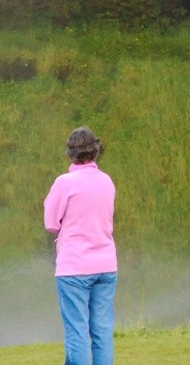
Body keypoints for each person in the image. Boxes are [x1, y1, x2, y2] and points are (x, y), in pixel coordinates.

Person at [44, 126, 117, 365]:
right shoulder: (107, 181)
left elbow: (51, 223)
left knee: (77, 333)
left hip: (74, 268)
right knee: (102, 332)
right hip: (106, 266)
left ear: (70, 153)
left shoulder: (65, 183)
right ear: (95, 151)